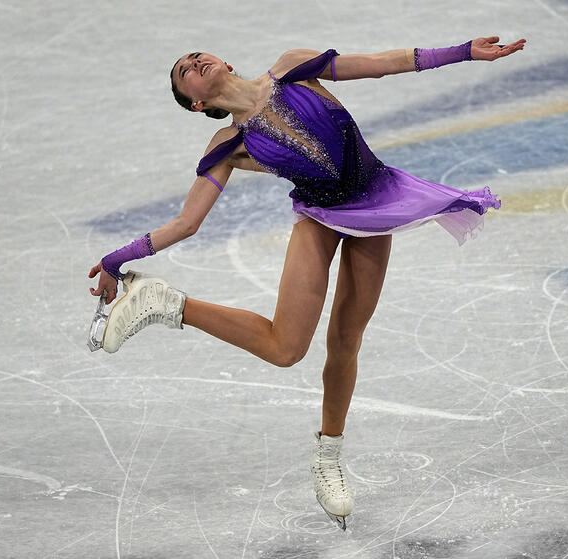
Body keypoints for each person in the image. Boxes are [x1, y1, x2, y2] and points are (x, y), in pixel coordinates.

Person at [88, 36, 526, 530]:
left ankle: (329, 456)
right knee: (285, 348)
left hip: (375, 202)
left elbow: (382, 64)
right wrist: (116, 259)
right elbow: (187, 223)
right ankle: (165, 303)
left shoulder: (293, 68)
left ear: (225, 61)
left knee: (346, 340)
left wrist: (464, 52)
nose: (194, 62)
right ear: (196, 103)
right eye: (184, 70)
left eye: (197, 55)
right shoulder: (228, 146)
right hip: (319, 219)